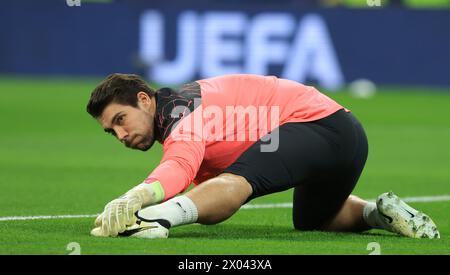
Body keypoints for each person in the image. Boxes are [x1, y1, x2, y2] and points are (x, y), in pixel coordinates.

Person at [86, 73, 439, 239]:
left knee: (237, 183)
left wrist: (141, 198)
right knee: (315, 221)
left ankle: (155, 224)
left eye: (120, 120)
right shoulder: (181, 108)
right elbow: (199, 182)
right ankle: (377, 213)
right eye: (110, 131)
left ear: (145, 100)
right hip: (346, 133)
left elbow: (182, 165)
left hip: (314, 126)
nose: (120, 135)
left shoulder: (181, 112)